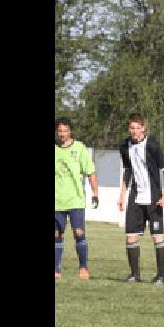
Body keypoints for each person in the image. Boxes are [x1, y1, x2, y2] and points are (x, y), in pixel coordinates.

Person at [117, 113, 164, 287]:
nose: (134, 131)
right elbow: (128, 171)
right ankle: (135, 275)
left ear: (143, 128)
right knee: (130, 237)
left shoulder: (152, 146)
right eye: (131, 128)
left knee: (158, 237)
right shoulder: (124, 146)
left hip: (153, 198)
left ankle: (161, 276)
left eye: (137, 128)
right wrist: (122, 195)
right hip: (135, 198)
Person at [55, 118, 99, 281]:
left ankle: (83, 267)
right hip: (57, 201)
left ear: (70, 131)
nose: (62, 134)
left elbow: (90, 172)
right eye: (60, 131)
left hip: (75, 200)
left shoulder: (80, 148)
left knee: (78, 233)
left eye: (65, 130)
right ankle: (56, 270)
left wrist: (95, 193)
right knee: (57, 234)